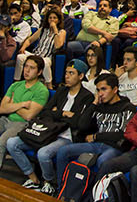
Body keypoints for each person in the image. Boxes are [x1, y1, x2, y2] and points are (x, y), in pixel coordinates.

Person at [6, 62, 94, 192]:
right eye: (66, 73)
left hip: (67, 136)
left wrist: (56, 113)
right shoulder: (61, 91)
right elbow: (45, 112)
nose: (67, 76)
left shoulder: (87, 97)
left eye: (71, 73)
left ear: (81, 76)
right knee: (12, 143)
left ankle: (49, 182)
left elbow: (77, 122)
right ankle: (33, 178)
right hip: (48, 131)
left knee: (43, 153)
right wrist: (62, 113)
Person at [50, 72, 137, 176]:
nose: (100, 94)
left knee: (102, 160)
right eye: (98, 90)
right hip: (96, 144)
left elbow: (123, 134)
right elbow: (82, 125)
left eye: (104, 89)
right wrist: (94, 104)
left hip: (115, 147)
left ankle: (97, 187)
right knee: (63, 151)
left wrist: (96, 136)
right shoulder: (99, 106)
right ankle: (63, 185)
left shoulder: (127, 107)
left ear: (115, 90)